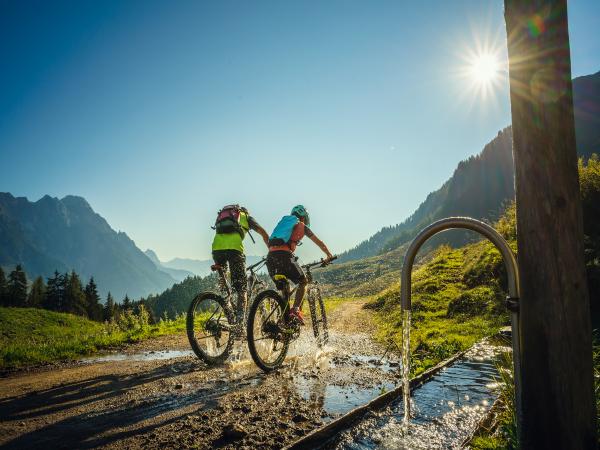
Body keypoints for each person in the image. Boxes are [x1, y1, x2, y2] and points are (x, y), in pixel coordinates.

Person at [267, 205, 333, 325]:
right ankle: (296, 310)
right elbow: (319, 242)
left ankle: (284, 323)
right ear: (304, 217)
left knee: (284, 289)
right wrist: (328, 254)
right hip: (285, 256)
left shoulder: (283, 223)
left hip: (270, 258)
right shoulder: (302, 225)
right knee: (303, 282)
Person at [212, 204, 269, 322]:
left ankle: (225, 302)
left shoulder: (224, 216)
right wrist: (271, 250)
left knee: (225, 278)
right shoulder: (246, 217)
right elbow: (263, 232)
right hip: (234, 249)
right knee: (242, 288)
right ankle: (239, 323)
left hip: (216, 249)